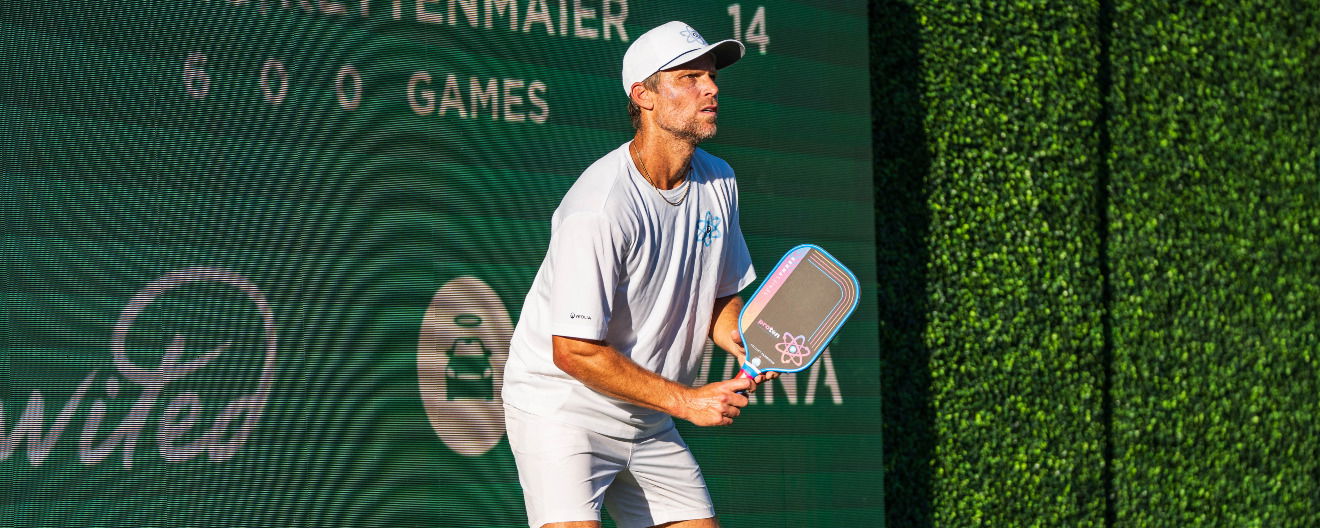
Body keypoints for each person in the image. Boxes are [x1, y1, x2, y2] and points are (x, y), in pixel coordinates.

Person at [501, 20, 777, 528]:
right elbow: (574, 350)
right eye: (689, 77)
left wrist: (745, 336)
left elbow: (717, 301)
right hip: (564, 412)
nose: (711, 87)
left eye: (710, 75)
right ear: (644, 96)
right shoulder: (601, 207)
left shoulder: (720, 180)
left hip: (647, 418)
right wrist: (688, 402)